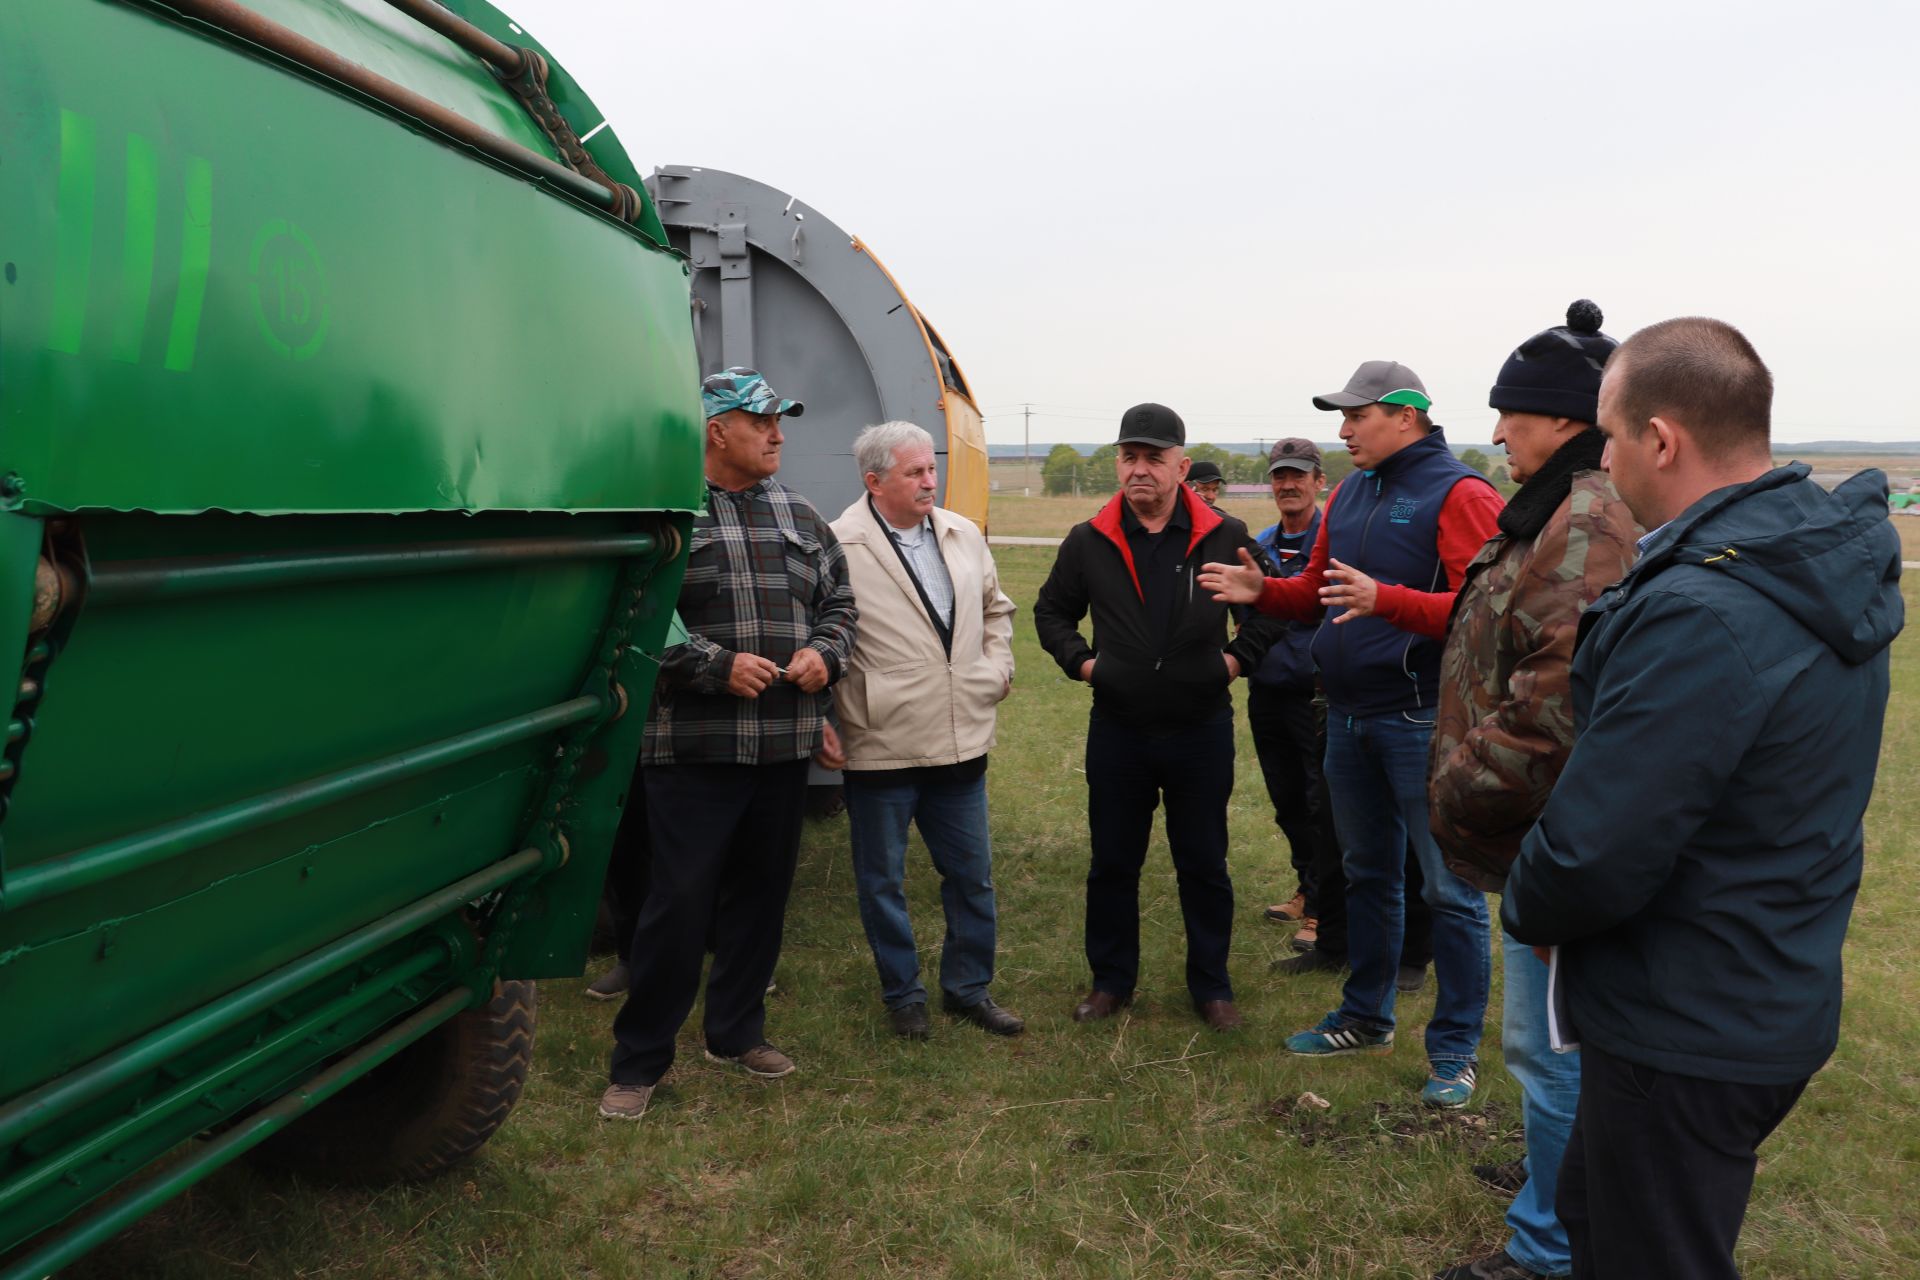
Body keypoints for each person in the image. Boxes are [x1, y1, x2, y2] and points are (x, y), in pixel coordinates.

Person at [1502, 318, 1902, 1278]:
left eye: (1607, 433)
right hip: (1759, 983)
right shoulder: (1799, 559)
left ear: (1662, 439)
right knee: (1609, 1222)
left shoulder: (1705, 609)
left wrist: (1528, 905)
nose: (1602, 457)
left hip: (1683, 1022)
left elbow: (1597, 851)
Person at [1200, 362, 1502, 1107]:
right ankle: (1367, 1016)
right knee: (1367, 873)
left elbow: (1484, 611)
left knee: (1448, 888)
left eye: (1355, 417)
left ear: (1405, 415)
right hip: (1346, 713)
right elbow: (1315, 597)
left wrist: (1388, 600)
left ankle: (1455, 1051)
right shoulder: (1354, 491)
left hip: (1420, 717)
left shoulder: (1461, 493)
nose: (1343, 431)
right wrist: (1264, 591)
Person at [1426, 302, 1640, 1280]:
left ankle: (1549, 1245)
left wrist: (1460, 787)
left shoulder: (1585, 519)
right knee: (1556, 1053)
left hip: (1552, 843)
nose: (1498, 431)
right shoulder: (1557, 506)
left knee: (1551, 1052)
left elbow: (1558, 705)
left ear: (1560, 419)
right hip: (1543, 838)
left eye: (1511, 413)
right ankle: (1559, 1200)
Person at [599, 368, 859, 1121]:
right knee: (675, 908)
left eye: (781, 422)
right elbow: (641, 613)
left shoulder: (802, 515)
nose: (779, 434)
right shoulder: (670, 516)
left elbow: (840, 601)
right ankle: (640, 1061)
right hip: (695, 750)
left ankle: (736, 1032)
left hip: (782, 749)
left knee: (761, 898)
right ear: (718, 430)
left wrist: (824, 653)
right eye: (763, 421)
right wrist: (712, 666)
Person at [1033, 403, 1283, 1031]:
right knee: (1113, 862)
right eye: (1129, 456)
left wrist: (1230, 663)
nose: (1139, 469)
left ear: (1180, 463)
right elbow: (1051, 614)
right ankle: (1112, 982)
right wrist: (1087, 667)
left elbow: (1270, 608)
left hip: (1200, 729)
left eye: (1153, 457)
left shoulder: (1226, 535)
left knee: (1203, 861)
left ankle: (1212, 987)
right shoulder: (1090, 539)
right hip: (1118, 729)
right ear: (1118, 462)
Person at [830, 421, 1024, 1040]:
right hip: (881, 741)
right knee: (882, 882)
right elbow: (823, 638)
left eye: (930, 469)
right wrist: (825, 720)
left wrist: (997, 666)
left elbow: (997, 609)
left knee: (971, 876)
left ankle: (969, 989)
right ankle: (903, 995)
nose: (929, 481)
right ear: (874, 480)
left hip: (961, 737)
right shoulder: (839, 544)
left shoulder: (961, 534)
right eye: (914, 472)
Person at [1244, 439, 1342, 972]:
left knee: (1317, 800)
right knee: (1285, 800)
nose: (1288, 484)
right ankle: (1307, 888)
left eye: (1298, 475)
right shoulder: (1260, 545)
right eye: (1280, 475)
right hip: (1267, 690)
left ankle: (1325, 910)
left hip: (1315, 694)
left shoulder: (1333, 543)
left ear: (1317, 481)